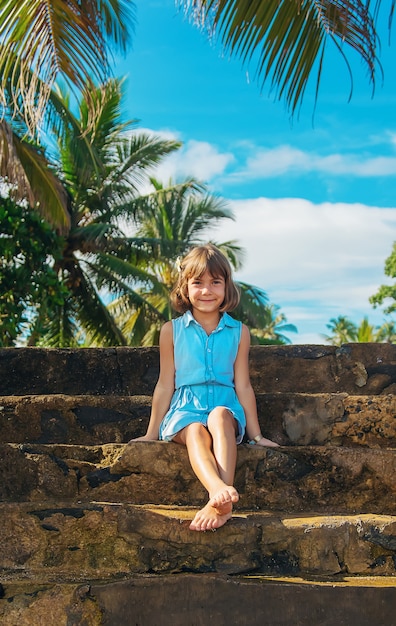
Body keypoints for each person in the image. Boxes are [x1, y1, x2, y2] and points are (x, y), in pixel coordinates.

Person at [130, 243, 279, 531]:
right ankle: (218, 491)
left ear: (226, 287)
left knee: (220, 415)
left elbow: (244, 385)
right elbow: (164, 384)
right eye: (198, 283)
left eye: (215, 282)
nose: (207, 290)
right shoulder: (171, 331)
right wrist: (151, 433)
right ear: (185, 288)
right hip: (185, 409)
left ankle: (219, 501)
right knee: (196, 430)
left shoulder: (239, 332)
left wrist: (257, 436)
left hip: (225, 406)